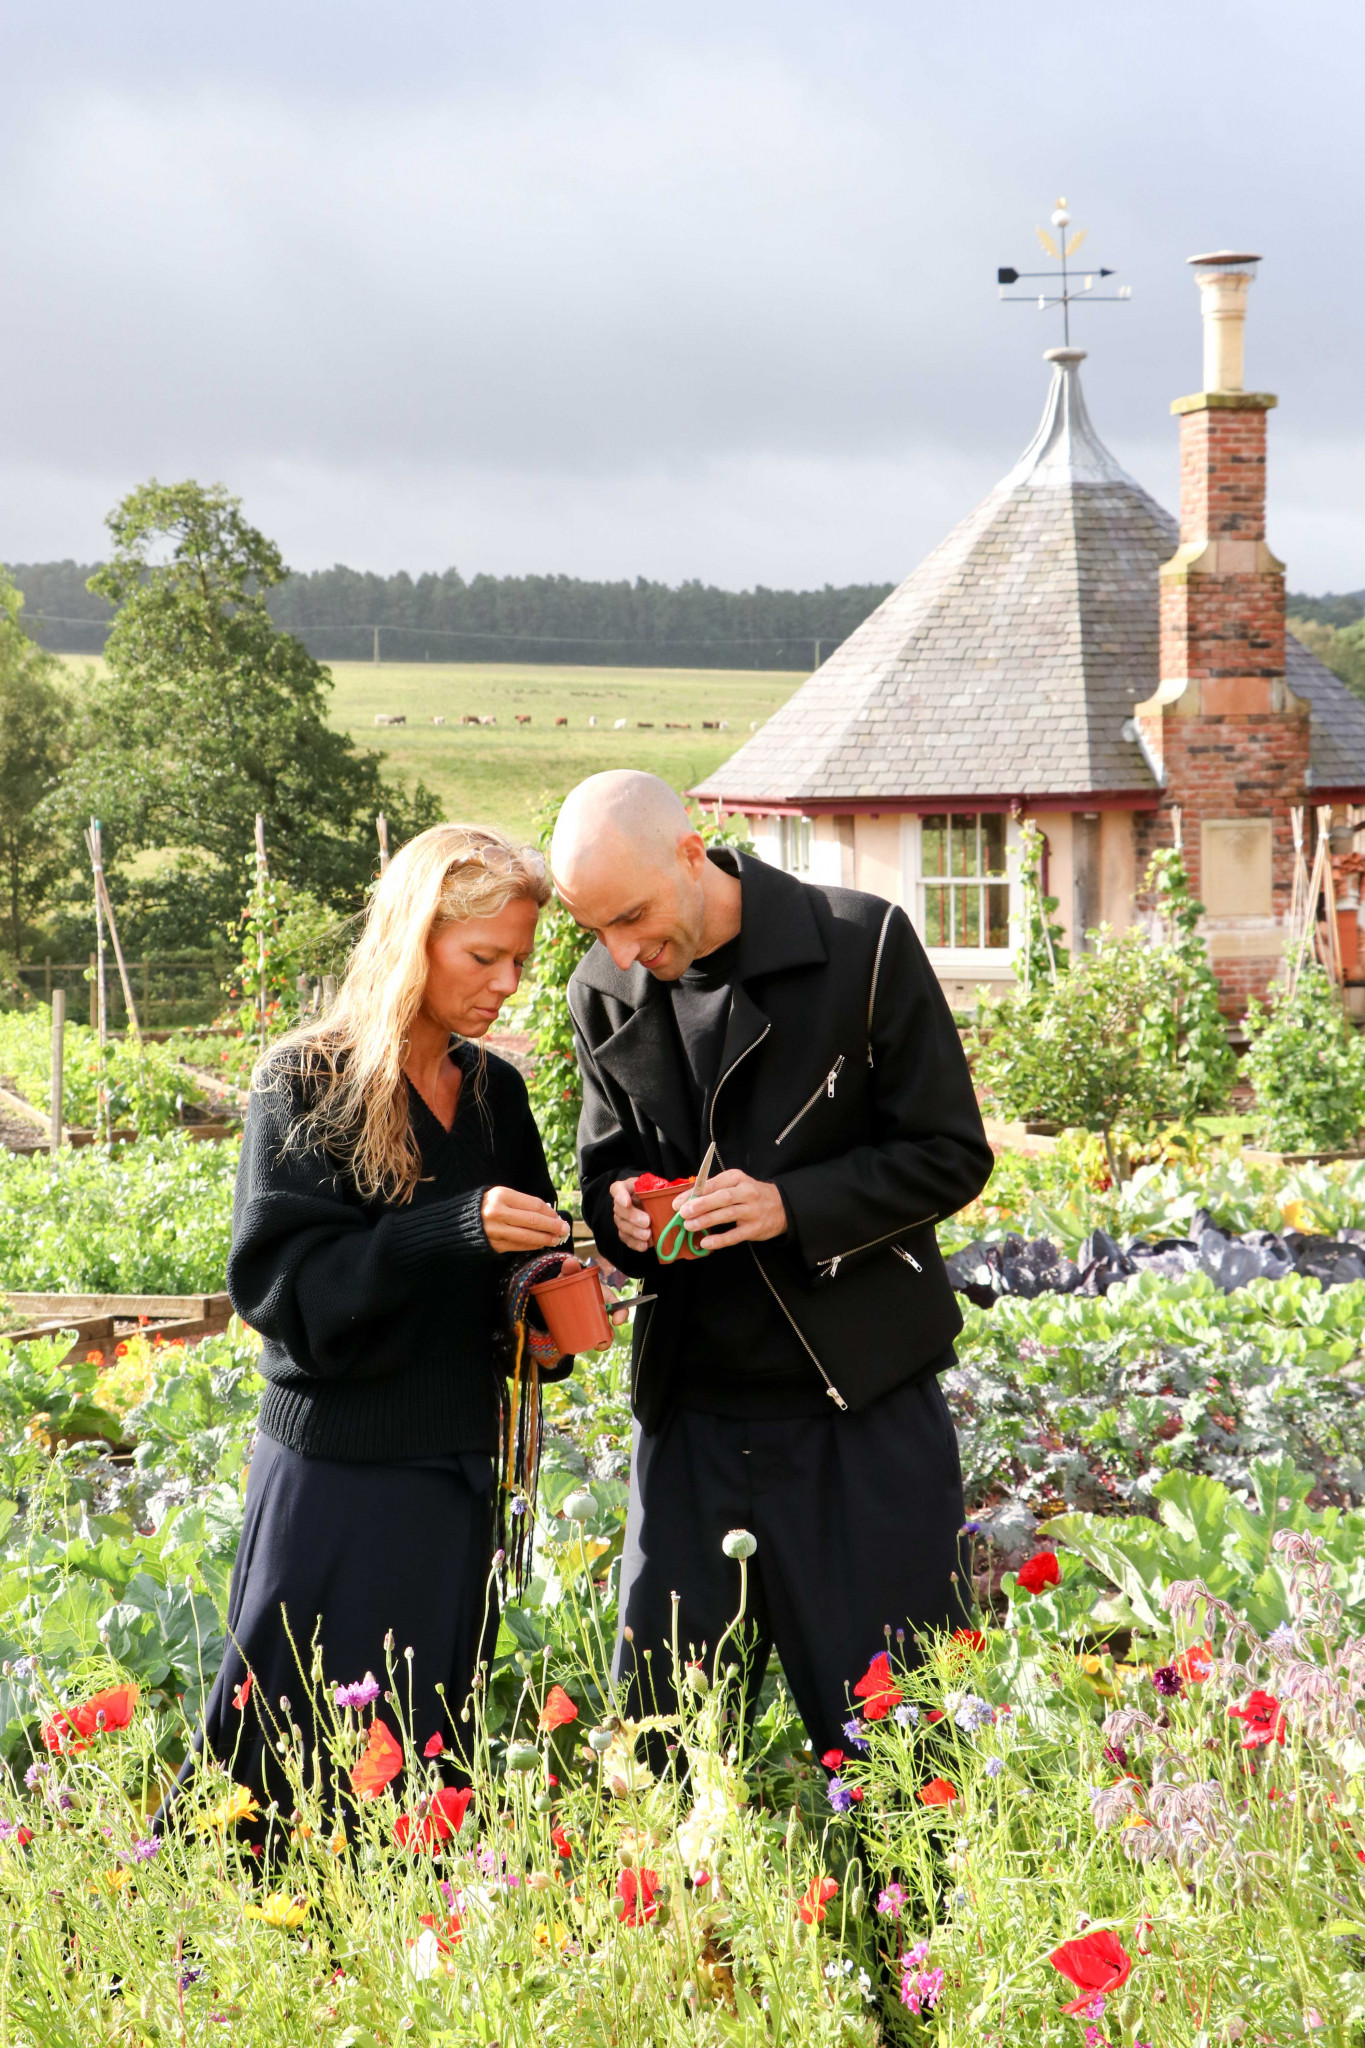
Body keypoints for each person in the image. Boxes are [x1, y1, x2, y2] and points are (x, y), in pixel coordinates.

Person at [551, 772, 993, 1758]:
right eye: (596, 927)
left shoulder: (862, 944)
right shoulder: (603, 987)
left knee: (903, 1753)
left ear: (689, 850)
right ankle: (680, 1919)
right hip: (692, 1420)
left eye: (632, 916)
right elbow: (605, 1165)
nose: (623, 951)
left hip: (860, 1410)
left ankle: (904, 1922)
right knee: (657, 1751)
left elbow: (950, 1151)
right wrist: (618, 1209)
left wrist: (792, 1204)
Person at [197, 823, 573, 1823]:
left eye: (520, 960)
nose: (506, 984)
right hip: (336, 1479)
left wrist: (548, 1313)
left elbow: (515, 1270)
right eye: (482, 955)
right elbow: (285, 1294)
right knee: (275, 1750)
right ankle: (232, 1955)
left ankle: (400, 1956)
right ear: (416, 937)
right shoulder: (306, 1081)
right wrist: (448, 1228)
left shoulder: (498, 1092)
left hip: (454, 1469)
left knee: (420, 1749)